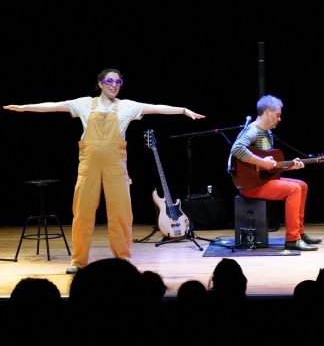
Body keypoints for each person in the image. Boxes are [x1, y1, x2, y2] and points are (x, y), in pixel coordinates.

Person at [3, 68, 205, 274]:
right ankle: (79, 260)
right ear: (100, 83)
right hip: (89, 166)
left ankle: (123, 258)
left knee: (121, 214)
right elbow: (55, 106)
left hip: (116, 168)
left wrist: (182, 110)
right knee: (82, 213)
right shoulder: (84, 104)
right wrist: (24, 107)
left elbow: (155, 108)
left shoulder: (127, 106)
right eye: (109, 81)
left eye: (118, 82)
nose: (113, 85)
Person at [229, 94, 321, 251]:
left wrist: (288, 166)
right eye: (278, 115)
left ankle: (299, 232)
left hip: (262, 181)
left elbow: (269, 167)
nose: (279, 119)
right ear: (267, 112)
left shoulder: (268, 134)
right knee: (294, 189)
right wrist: (262, 162)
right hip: (249, 185)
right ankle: (292, 239)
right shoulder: (253, 131)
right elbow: (237, 149)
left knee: (302, 185)